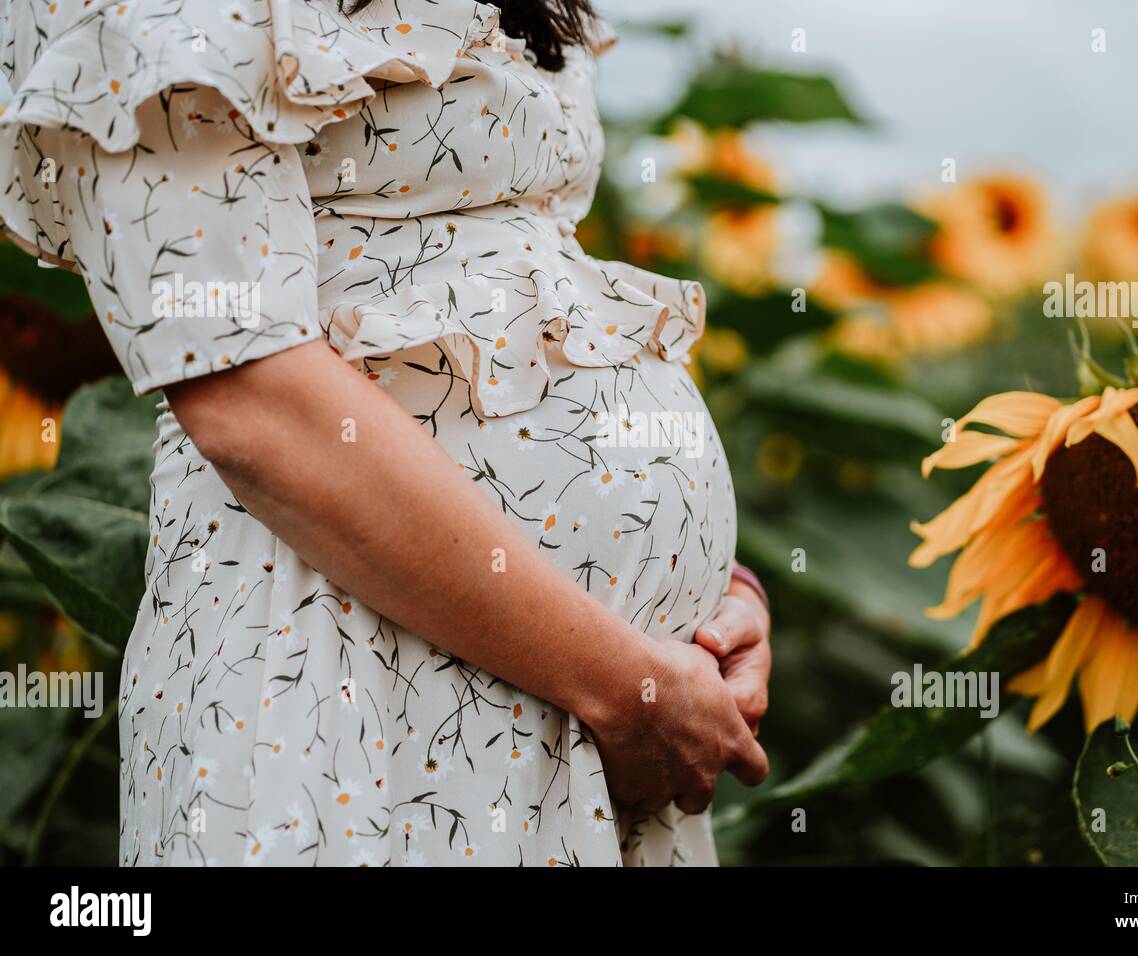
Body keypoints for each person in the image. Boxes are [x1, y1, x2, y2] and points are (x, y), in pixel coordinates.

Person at [0, 0, 772, 866]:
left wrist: (715, 606)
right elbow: (247, 396)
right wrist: (625, 687)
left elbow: (515, 281)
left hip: (606, 693)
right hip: (365, 675)